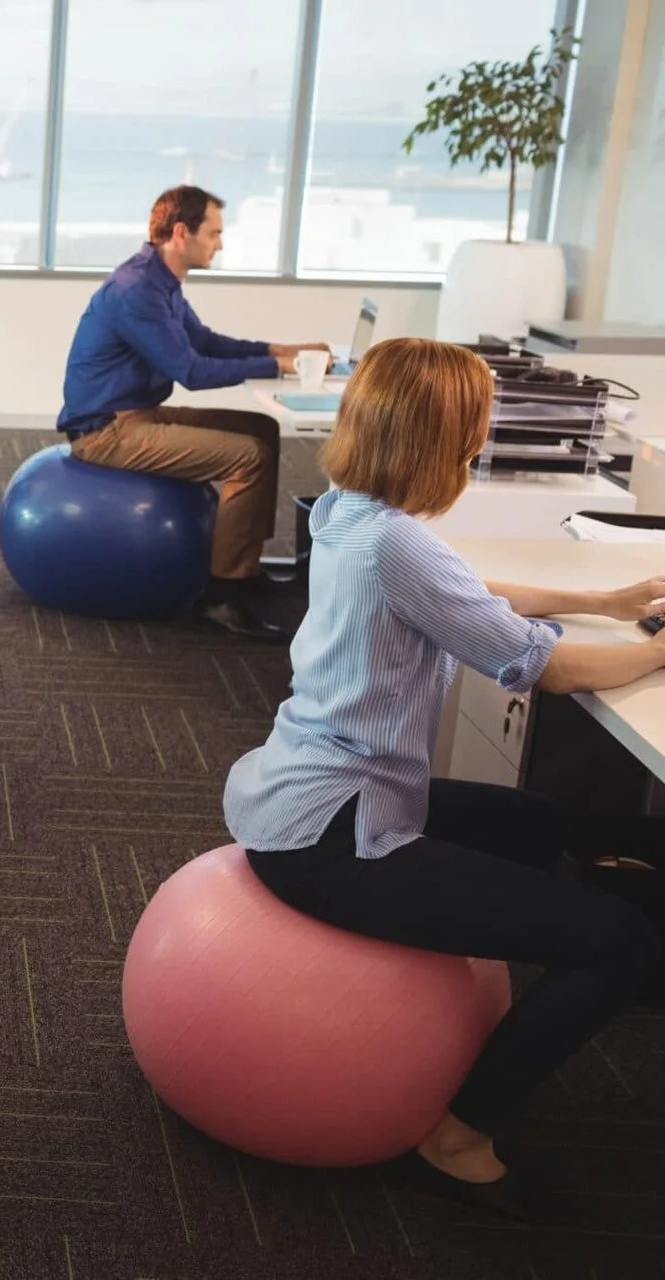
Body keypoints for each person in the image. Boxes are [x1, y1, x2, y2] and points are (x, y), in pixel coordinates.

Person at [224, 337, 664, 1219]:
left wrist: (607, 604)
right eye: (475, 427)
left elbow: (461, 588)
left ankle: (542, 960)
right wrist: (652, 648)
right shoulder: (399, 545)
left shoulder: (351, 512)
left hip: (301, 791)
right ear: (442, 438)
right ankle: (457, 1135)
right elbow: (543, 667)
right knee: (620, 942)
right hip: (335, 840)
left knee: (535, 826)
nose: (482, 439)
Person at [58, 185, 332, 640]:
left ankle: (245, 570)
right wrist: (277, 367)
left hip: (137, 413)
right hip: (104, 432)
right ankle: (221, 596)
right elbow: (192, 370)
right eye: (215, 232)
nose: (220, 244)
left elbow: (205, 342)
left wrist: (283, 350)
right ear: (182, 232)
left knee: (262, 429)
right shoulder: (137, 291)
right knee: (249, 456)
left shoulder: (160, 282)